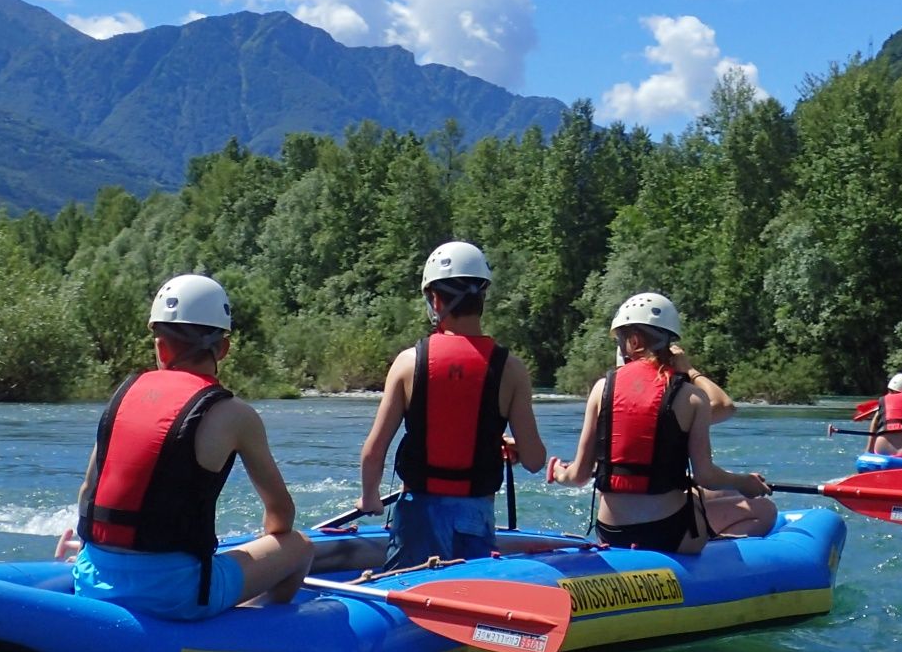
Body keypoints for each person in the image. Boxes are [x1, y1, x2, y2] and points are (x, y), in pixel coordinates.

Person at [59, 273, 314, 619]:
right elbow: (281, 515)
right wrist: (265, 546)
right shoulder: (236, 414)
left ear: (160, 347)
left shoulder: (121, 397)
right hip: (179, 595)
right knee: (298, 546)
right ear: (222, 348)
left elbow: (88, 491)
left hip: (91, 577)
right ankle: (252, 625)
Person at [358, 240, 546, 569]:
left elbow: (374, 450)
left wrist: (370, 497)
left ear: (435, 299)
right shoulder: (511, 369)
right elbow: (534, 460)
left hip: (417, 514)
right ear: (482, 297)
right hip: (474, 516)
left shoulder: (407, 363)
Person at [547, 292, 775, 554]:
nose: (621, 350)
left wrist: (558, 472)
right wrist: (744, 481)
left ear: (634, 341)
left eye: (621, 342)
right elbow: (707, 476)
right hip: (668, 534)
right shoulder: (692, 398)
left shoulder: (601, 389)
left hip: (610, 532)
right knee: (764, 510)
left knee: (716, 495)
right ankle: (711, 563)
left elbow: (578, 477)